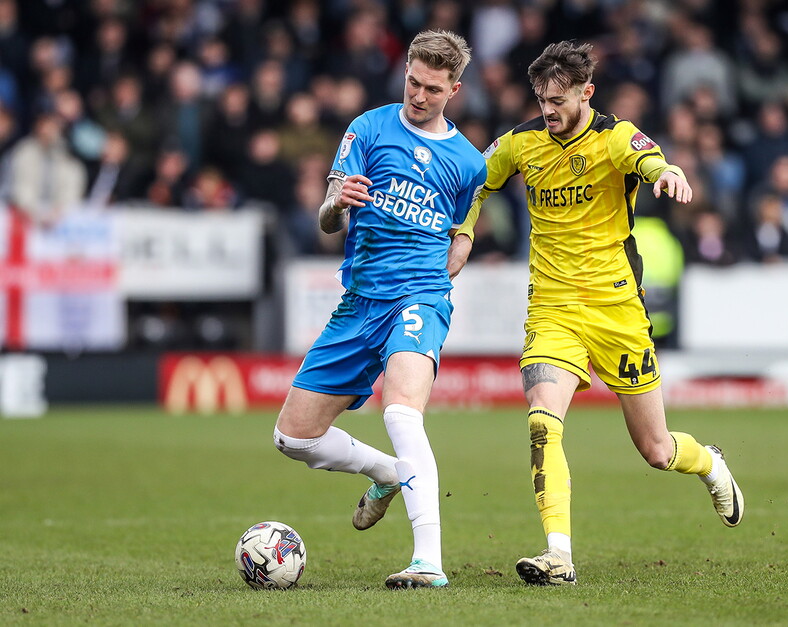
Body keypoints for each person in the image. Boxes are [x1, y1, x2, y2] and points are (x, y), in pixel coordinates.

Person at [450, 41, 744, 586]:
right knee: (543, 420)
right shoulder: (520, 143)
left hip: (616, 309)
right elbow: (475, 180)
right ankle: (558, 554)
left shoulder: (613, 137)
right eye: (541, 99)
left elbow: (650, 156)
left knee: (657, 450)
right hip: (553, 306)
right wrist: (464, 231)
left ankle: (709, 462)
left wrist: (667, 172)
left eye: (558, 100)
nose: (548, 110)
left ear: (587, 92)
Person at [273, 30, 486, 590]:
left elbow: (461, 231)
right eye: (413, 81)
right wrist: (335, 203)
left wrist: (453, 258)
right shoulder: (366, 128)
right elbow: (327, 220)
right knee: (293, 438)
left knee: (400, 412)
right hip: (358, 301)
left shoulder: (467, 163)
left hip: (419, 297)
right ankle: (390, 474)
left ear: (454, 89)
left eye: (432, 88)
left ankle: (428, 561)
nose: (418, 95)